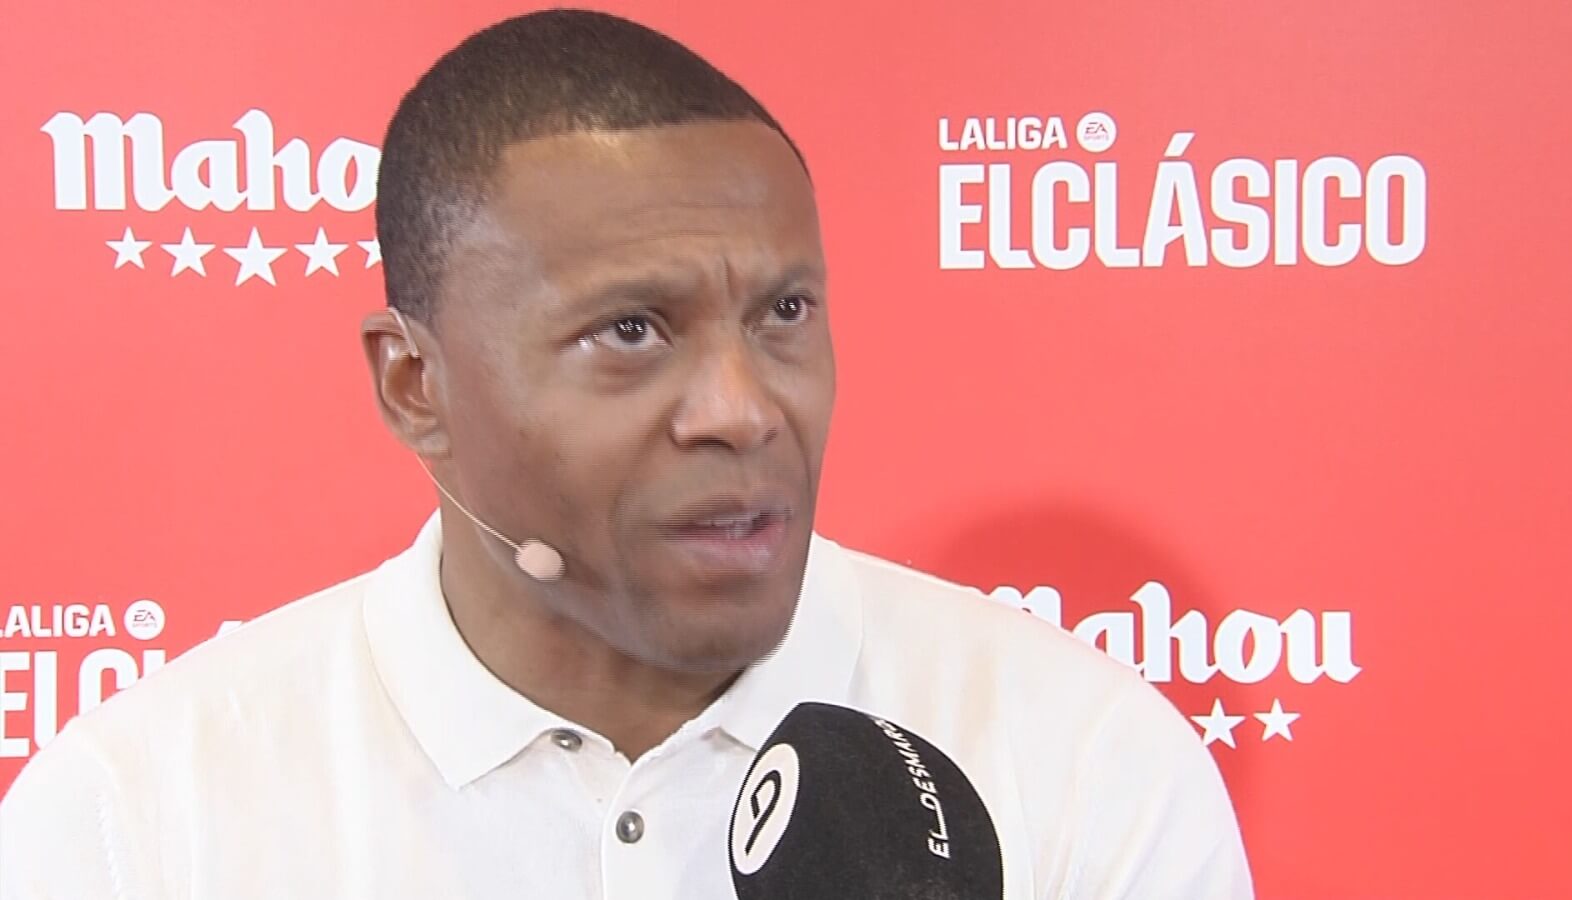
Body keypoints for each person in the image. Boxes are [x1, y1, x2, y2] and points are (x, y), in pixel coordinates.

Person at [0, 9, 1253, 898]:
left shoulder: (1080, 760)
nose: (742, 410)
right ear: (415, 385)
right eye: (632, 331)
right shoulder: (136, 820)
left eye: (783, 313)